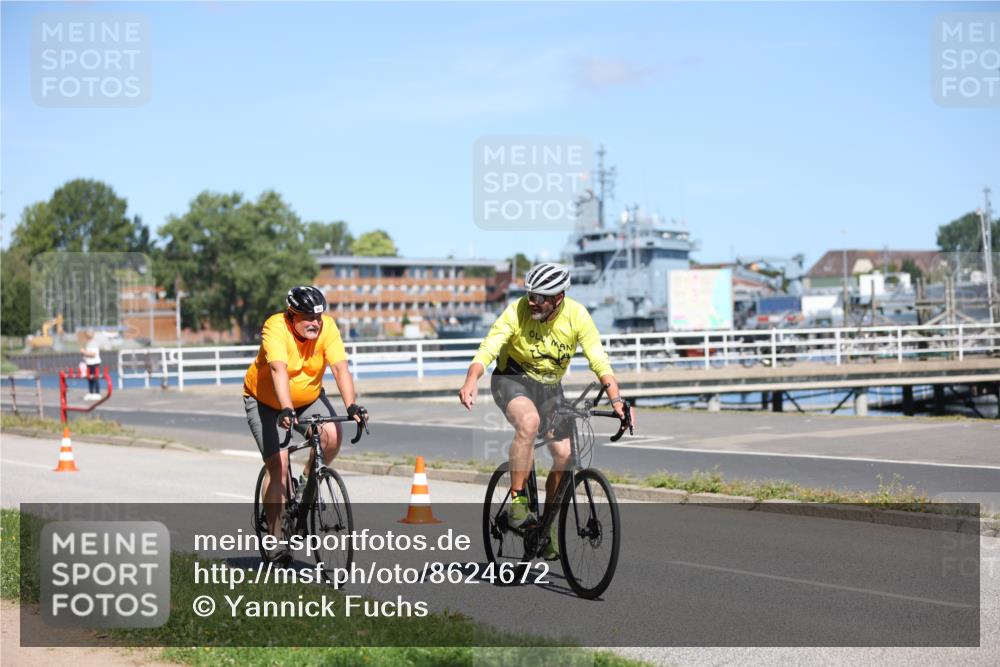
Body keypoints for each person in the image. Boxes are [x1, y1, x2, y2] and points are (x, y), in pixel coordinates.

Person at [458, 262, 625, 560]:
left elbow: (598, 359)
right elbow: (489, 346)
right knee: (529, 422)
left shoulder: (577, 316)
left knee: (563, 455)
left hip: (549, 388)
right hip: (511, 379)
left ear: (558, 298)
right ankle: (518, 500)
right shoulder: (518, 310)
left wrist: (616, 401)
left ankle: (545, 528)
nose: (532, 301)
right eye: (530, 294)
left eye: (540, 297)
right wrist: (472, 379)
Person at [243, 285, 367, 562]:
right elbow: (278, 370)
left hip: (308, 397)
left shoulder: (328, 328)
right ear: (291, 315)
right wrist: (286, 408)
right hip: (266, 401)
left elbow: (339, 368)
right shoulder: (275, 328)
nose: (315, 323)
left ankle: (303, 488)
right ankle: (275, 538)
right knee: (279, 466)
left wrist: (351, 406)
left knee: (332, 438)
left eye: (318, 317)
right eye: (307, 317)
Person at [80, 333, 102, 400]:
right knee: (89, 378)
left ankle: (97, 393)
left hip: (94, 363)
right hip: (89, 363)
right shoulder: (88, 343)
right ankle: (91, 393)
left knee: (95, 378)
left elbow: (93, 354)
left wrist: (84, 352)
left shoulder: (94, 343)